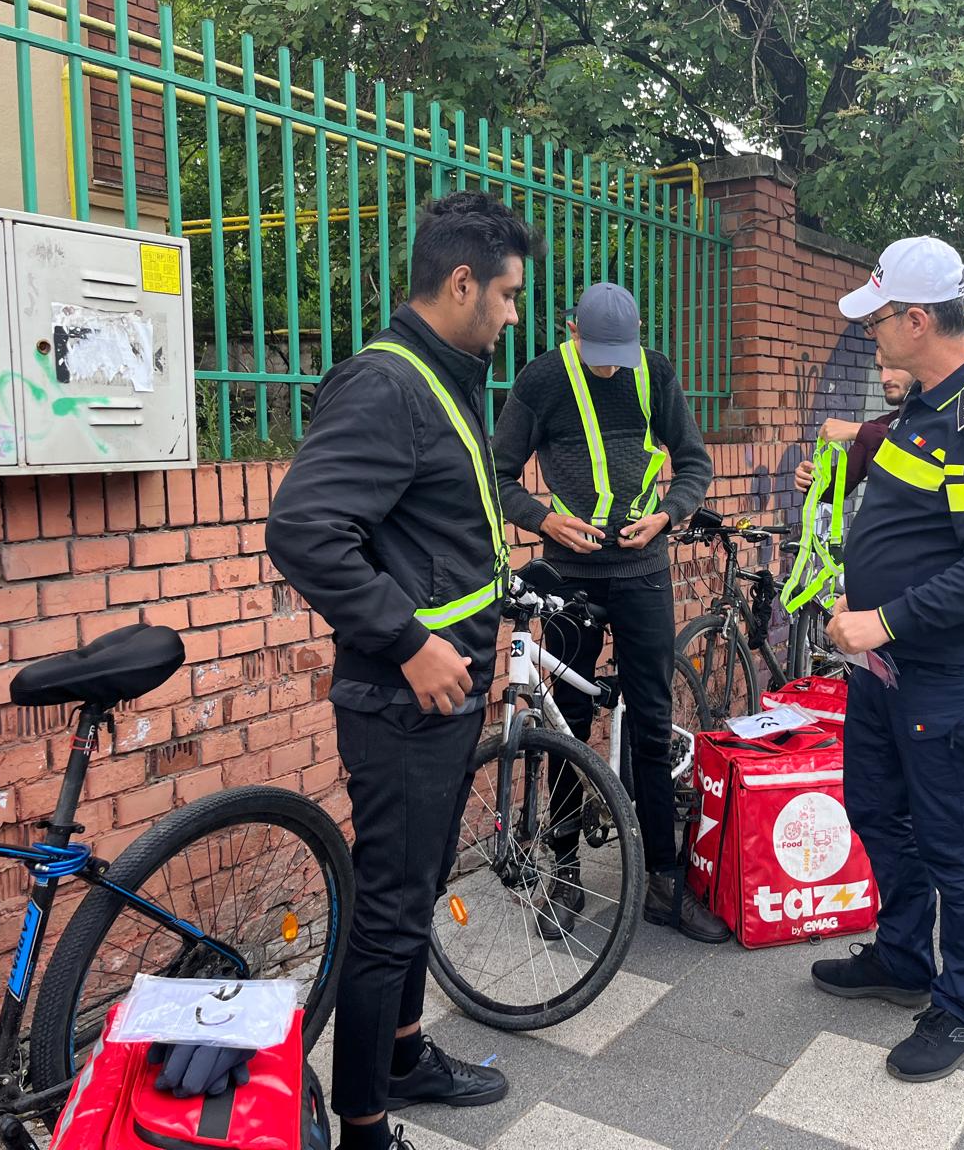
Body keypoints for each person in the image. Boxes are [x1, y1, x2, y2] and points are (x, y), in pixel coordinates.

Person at [267, 191, 538, 1147]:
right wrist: (411, 641)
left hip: (445, 692)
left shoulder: (445, 374)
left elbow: (428, 525)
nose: (514, 315)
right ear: (461, 282)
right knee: (389, 906)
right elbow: (303, 530)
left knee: (417, 886)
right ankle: (366, 1122)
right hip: (402, 697)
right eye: (507, 295)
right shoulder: (387, 384)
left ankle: (404, 1055)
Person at [814, 236, 964, 1084]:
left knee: (957, 845)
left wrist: (883, 622)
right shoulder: (926, 404)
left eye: (877, 319)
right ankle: (904, 955)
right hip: (890, 674)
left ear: (917, 319)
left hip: (949, 679)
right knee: (875, 809)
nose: (868, 332)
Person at [490, 281, 724, 941]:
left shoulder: (655, 372)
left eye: (620, 353)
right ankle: (564, 873)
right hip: (570, 579)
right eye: (598, 354)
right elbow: (496, 471)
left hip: (645, 573)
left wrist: (669, 516)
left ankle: (662, 881)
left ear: (639, 330)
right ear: (571, 331)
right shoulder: (541, 381)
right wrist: (544, 520)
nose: (610, 366)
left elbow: (694, 464)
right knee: (565, 727)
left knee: (651, 725)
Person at [793, 363, 915, 496]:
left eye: (894, 365)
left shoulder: (938, 419)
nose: (884, 378)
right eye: (880, 368)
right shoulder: (879, 426)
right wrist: (810, 479)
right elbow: (839, 485)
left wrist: (860, 430)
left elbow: (920, 450)